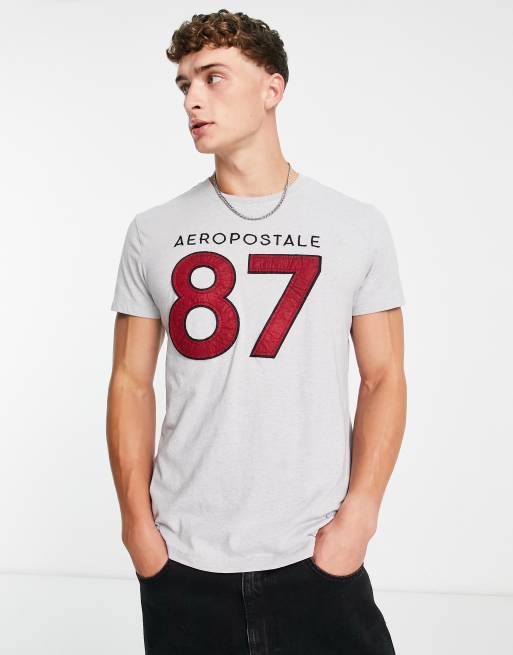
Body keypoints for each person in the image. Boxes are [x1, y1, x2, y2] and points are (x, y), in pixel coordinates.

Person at [107, 8, 407, 654]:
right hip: (182, 557)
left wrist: (359, 515)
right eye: (185, 84)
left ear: (272, 89)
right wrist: (137, 527)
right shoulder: (152, 231)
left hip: (315, 551)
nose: (192, 99)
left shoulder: (354, 225)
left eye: (213, 77)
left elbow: (383, 376)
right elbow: (130, 381)